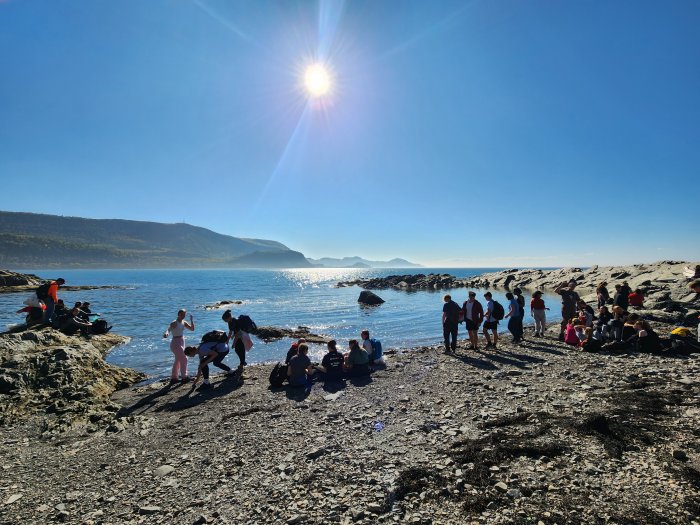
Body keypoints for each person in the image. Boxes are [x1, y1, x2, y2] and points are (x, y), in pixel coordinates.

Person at [163, 309, 195, 384]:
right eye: (182, 314)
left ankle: (174, 378)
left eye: (184, 314)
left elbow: (192, 329)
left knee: (178, 360)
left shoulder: (184, 322)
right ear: (178, 314)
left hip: (182, 341)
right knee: (184, 358)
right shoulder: (174, 322)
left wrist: (191, 320)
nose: (183, 316)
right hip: (175, 342)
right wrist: (166, 334)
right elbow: (168, 329)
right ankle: (184, 377)